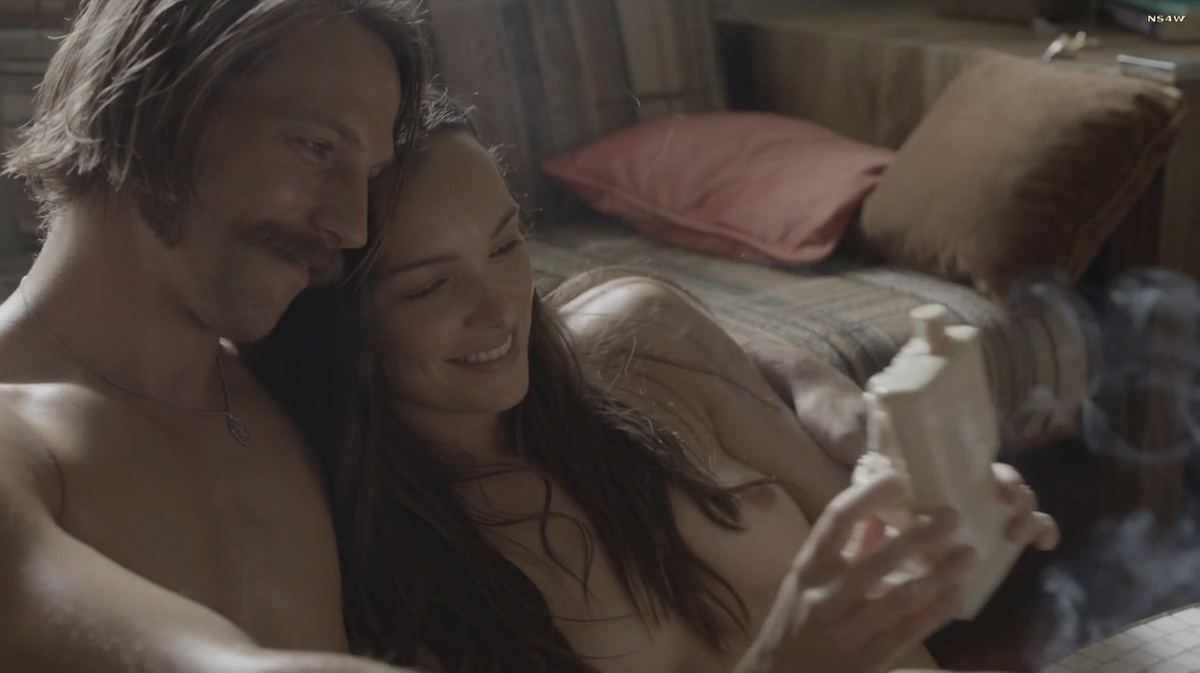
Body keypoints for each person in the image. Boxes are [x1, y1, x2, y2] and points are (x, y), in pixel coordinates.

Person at [248, 93, 1060, 673]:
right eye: (430, 286)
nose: (500, 309)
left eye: (505, 245)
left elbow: (870, 564)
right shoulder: (398, 576)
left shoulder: (646, 341)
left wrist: (946, 524)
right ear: (344, 335)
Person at [0, 1, 438, 671]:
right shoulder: (14, 425)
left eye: (369, 177)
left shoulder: (306, 382)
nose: (352, 227)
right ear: (161, 98)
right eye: (317, 148)